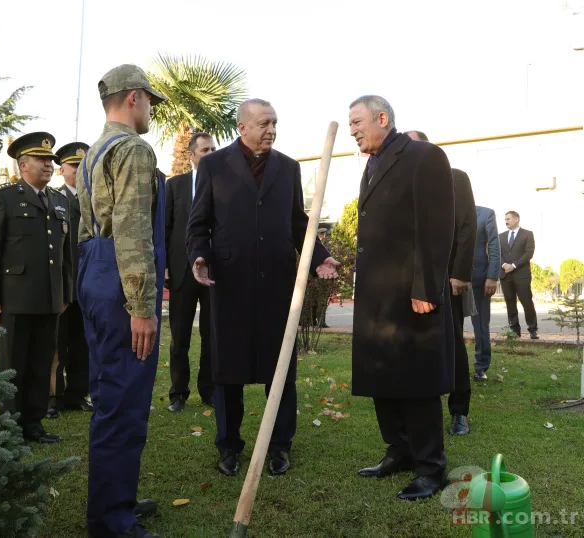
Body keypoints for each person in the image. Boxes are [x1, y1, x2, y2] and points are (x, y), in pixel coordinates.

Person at [187, 98, 339, 479]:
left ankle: (279, 446)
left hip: (276, 284)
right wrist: (199, 257)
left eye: (275, 123)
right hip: (229, 283)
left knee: (281, 368)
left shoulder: (287, 168)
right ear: (242, 127)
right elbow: (198, 224)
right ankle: (228, 446)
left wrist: (320, 255)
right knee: (228, 370)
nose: (271, 130)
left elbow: (296, 221)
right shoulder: (212, 166)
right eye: (264, 124)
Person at [77, 64, 168, 538]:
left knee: (108, 397)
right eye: (150, 99)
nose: (152, 108)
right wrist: (142, 308)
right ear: (133, 98)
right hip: (118, 279)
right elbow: (132, 231)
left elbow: (85, 231)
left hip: (94, 272)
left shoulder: (94, 152)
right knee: (124, 402)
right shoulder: (132, 148)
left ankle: (115, 500)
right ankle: (112, 521)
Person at [349, 96, 455, 501]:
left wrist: (426, 287)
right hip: (377, 297)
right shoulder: (371, 166)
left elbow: (436, 227)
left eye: (358, 122)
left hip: (413, 295)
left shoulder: (423, 157)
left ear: (382, 117)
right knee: (382, 375)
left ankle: (431, 469)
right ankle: (400, 451)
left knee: (417, 381)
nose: (354, 130)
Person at [0, 132, 72, 444]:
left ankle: (35, 423)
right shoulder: (3, 197)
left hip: (50, 298)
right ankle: (11, 427)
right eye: (42, 160)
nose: (49, 165)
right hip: (15, 297)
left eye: (50, 160)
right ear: (22, 164)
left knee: (42, 364)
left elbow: (66, 254)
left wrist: (66, 293)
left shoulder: (58, 201)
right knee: (15, 364)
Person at [405, 130, 476, 436]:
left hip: (447, 277)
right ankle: (420, 406)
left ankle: (459, 411)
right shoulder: (403, 182)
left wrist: (460, 273)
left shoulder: (454, 177)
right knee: (415, 344)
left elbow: (466, 226)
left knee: (453, 342)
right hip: (409, 279)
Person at [165, 132, 216, 413]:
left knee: (211, 335)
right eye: (205, 150)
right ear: (191, 155)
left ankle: (208, 391)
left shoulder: (225, 184)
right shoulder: (175, 186)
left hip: (213, 272)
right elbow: (166, 228)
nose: (210, 153)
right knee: (180, 335)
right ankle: (178, 393)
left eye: (213, 149)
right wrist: (164, 266)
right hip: (182, 271)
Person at [48, 141, 93, 417]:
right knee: (56, 345)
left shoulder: (97, 200)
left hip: (88, 285)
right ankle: (54, 397)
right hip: (62, 284)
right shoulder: (54, 200)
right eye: (74, 166)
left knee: (82, 344)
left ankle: (78, 394)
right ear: (62, 169)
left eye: (83, 165)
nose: (78, 171)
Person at [471, 206, 500, 380]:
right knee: (450, 326)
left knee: (481, 326)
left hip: (480, 278)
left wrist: (492, 276)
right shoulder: (445, 210)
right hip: (451, 277)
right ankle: (451, 366)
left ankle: (481, 367)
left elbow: (494, 247)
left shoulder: (485, 214)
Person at [499, 211, 538, 339]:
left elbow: (528, 253)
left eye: (508, 218)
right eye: (505, 219)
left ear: (516, 219)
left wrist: (514, 265)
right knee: (510, 303)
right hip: (505, 275)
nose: (506, 221)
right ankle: (514, 330)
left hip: (522, 275)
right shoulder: (501, 236)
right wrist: (504, 265)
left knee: (526, 302)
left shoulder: (527, 234)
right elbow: (496, 253)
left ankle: (532, 329)